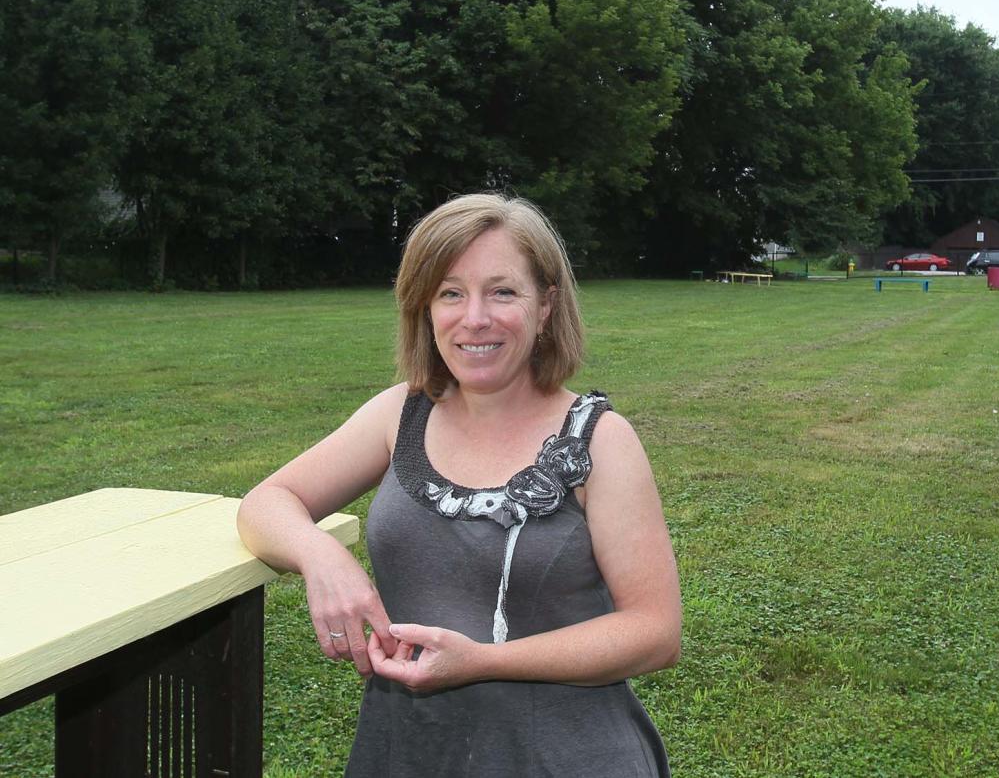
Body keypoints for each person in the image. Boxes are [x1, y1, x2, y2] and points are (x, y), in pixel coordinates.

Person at [237, 192, 682, 776]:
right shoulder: (400, 413)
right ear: (424, 307)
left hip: (563, 757)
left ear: (546, 306)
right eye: (450, 292)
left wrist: (484, 661)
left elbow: (655, 632)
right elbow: (265, 503)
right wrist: (321, 555)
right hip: (409, 753)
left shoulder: (599, 440)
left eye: (503, 291)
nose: (475, 318)